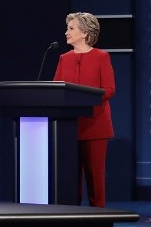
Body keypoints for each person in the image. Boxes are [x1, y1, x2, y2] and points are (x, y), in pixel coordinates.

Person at [53, 12, 115, 208]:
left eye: (71, 28)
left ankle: (99, 218)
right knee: (71, 178)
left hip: (95, 125)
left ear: (85, 32)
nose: (66, 32)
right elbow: (55, 88)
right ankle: (72, 216)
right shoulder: (64, 58)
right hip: (69, 126)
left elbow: (109, 90)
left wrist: (85, 99)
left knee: (95, 178)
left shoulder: (101, 57)